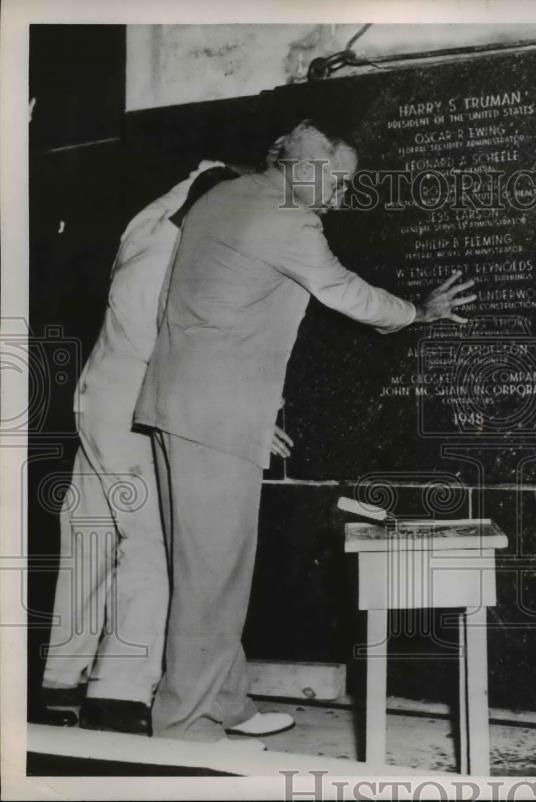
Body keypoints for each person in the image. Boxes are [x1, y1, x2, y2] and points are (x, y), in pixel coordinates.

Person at [133, 120, 476, 743]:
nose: (342, 197)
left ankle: (228, 703)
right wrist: (418, 312)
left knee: (207, 570)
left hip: (179, 403)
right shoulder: (288, 216)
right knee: (213, 578)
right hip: (213, 414)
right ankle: (183, 725)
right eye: (338, 181)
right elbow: (344, 291)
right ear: (300, 164)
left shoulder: (221, 197)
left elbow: (185, 309)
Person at [37, 162, 241, 734]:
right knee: (149, 543)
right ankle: (120, 692)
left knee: (88, 540)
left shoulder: (146, 224)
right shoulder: (180, 252)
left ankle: (60, 681)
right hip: (133, 408)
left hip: (96, 397)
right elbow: (183, 348)